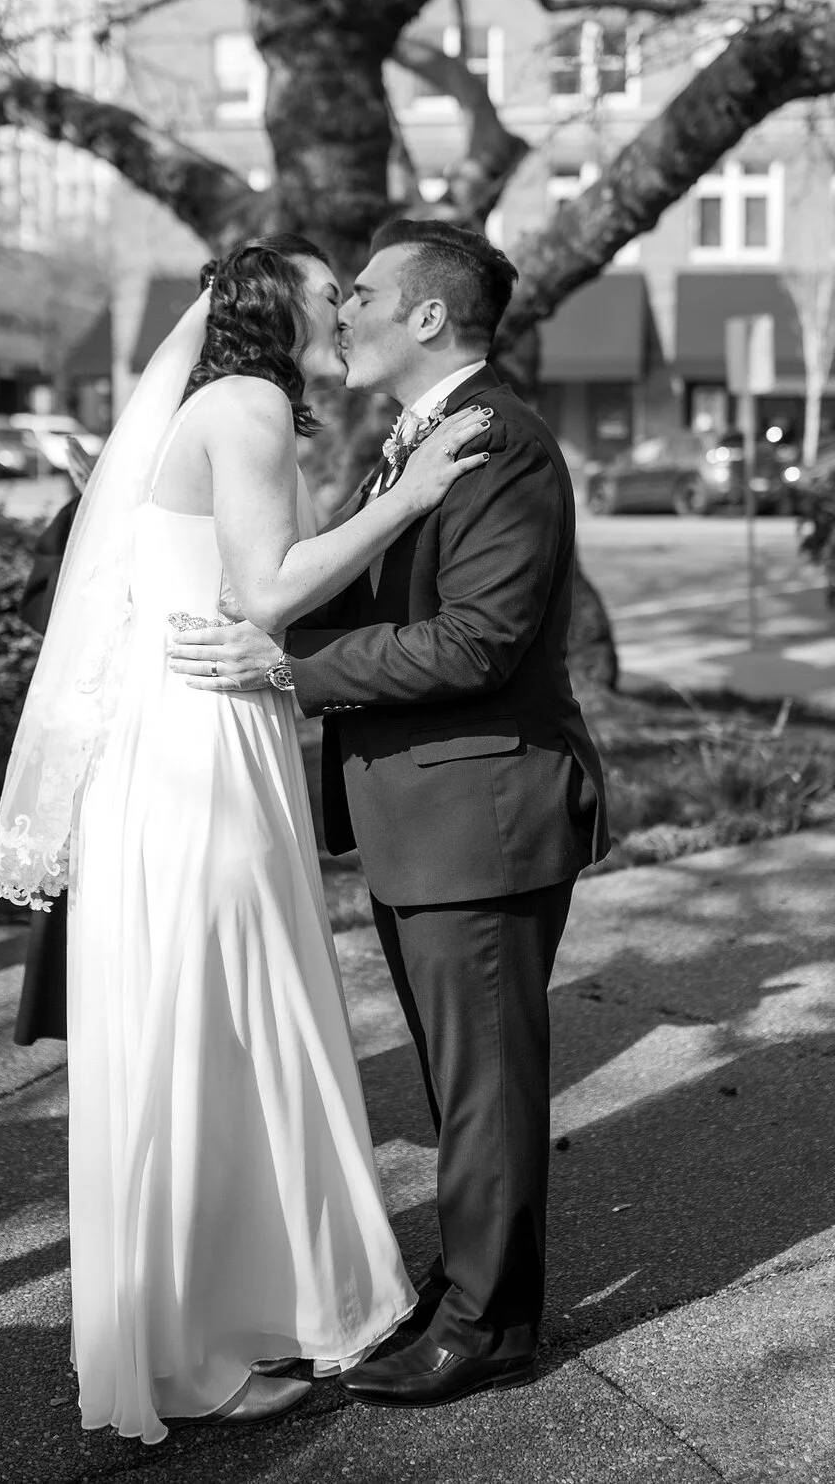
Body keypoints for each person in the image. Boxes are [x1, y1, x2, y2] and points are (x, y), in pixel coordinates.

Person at [0, 233, 497, 1440]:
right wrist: (413, 500)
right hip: (199, 747)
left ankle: (218, 1324)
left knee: (208, 1022)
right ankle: (199, 1355)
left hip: (186, 734)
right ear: (277, 311)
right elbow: (267, 590)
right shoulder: (251, 403)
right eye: (333, 295)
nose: (350, 309)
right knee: (217, 1022)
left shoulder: (222, 403)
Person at [170, 220, 610, 1411]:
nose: (343, 312)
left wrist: (285, 671)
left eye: (361, 294)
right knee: (457, 1077)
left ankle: (489, 1326)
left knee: (483, 1085)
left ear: (426, 317)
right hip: (426, 813)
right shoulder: (412, 443)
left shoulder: (500, 443)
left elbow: (478, 641)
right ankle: (459, 1288)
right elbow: (352, 590)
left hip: (485, 807)